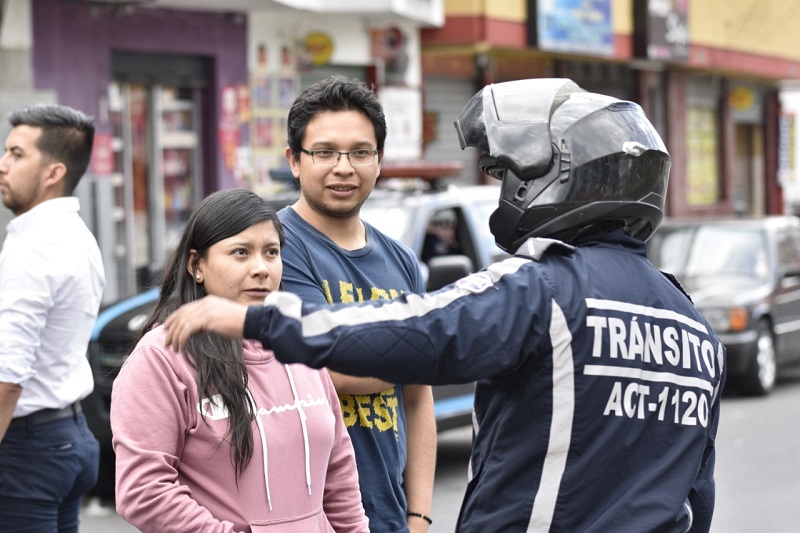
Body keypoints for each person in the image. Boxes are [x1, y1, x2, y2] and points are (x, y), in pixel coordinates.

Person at [163, 79, 726, 532]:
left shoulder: (541, 287)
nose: (506, 187)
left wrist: (259, 320)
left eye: (509, 174)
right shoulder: (693, 328)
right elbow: (696, 493)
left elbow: (420, 335)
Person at [110, 188, 368, 532]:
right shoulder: (161, 357)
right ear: (196, 265)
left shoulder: (299, 342)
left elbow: (338, 471)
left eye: (271, 252)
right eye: (241, 253)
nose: (261, 268)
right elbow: (144, 491)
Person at [276, 74, 436, 532]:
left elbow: (419, 398)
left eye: (360, 152)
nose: (343, 167)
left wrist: (419, 515)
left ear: (379, 160)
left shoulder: (401, 260)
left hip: (388, 516)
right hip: (308, 516)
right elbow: (320, 370)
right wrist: (418, 354)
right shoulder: (277, 249)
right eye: (324, 152)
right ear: (294, 161)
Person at [0, 103, 106, 531]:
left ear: (53, 172)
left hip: (29, 447)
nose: (3, 164)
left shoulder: (33, 248)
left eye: (17, 154)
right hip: (68, 436)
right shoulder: (77, 236)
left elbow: (7, 377)